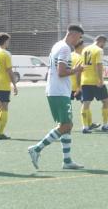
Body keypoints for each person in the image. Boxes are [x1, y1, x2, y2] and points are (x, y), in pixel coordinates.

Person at [27, 25, 86, 170]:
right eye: (79, 37)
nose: (79, 41)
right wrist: (76, 70)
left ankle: (67, 161)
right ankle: (37, 148)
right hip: (59, 91)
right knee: (66, 125)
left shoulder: (57, 45)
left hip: (56, 90)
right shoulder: (65, 48)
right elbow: (61, 72)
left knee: (67, 125)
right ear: (73, 34)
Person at [80, 36, 108, 133]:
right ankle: (105, 125)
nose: (104, 46)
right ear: (101, 41)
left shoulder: (85, 50)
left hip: (85, 81)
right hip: (95, 80)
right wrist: (100, 79)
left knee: (86, 103)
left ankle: (85, 127)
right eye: (104, 44)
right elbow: (99, 65)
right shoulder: (99, 50)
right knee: (106, 101)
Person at [71, 40, 85, 128]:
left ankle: (66, 124)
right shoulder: (81, 57)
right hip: (78, 85)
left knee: (67, 106)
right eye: (84, 45)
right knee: (85, 103)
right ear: (80, 46)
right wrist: (79, 87)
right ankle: (87, 124)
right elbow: (78, 73)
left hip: (68, 85)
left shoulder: (69, 55)